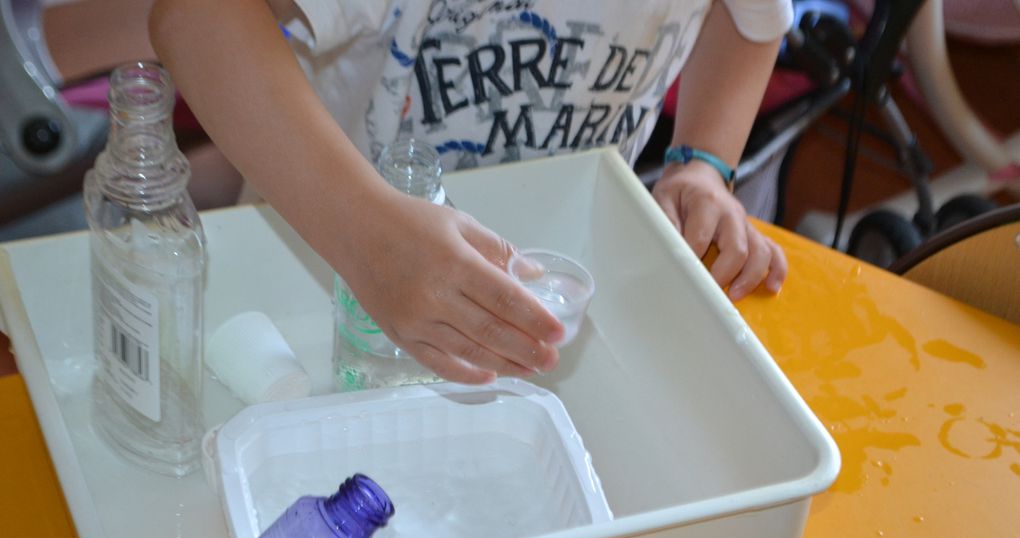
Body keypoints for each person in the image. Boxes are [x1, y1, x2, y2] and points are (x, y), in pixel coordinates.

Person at [148, 0, 791, 385]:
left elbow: (751, 17)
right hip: (317, 298)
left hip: (546, 310)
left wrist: (702, 161)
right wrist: (368, 235)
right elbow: (196, 17)